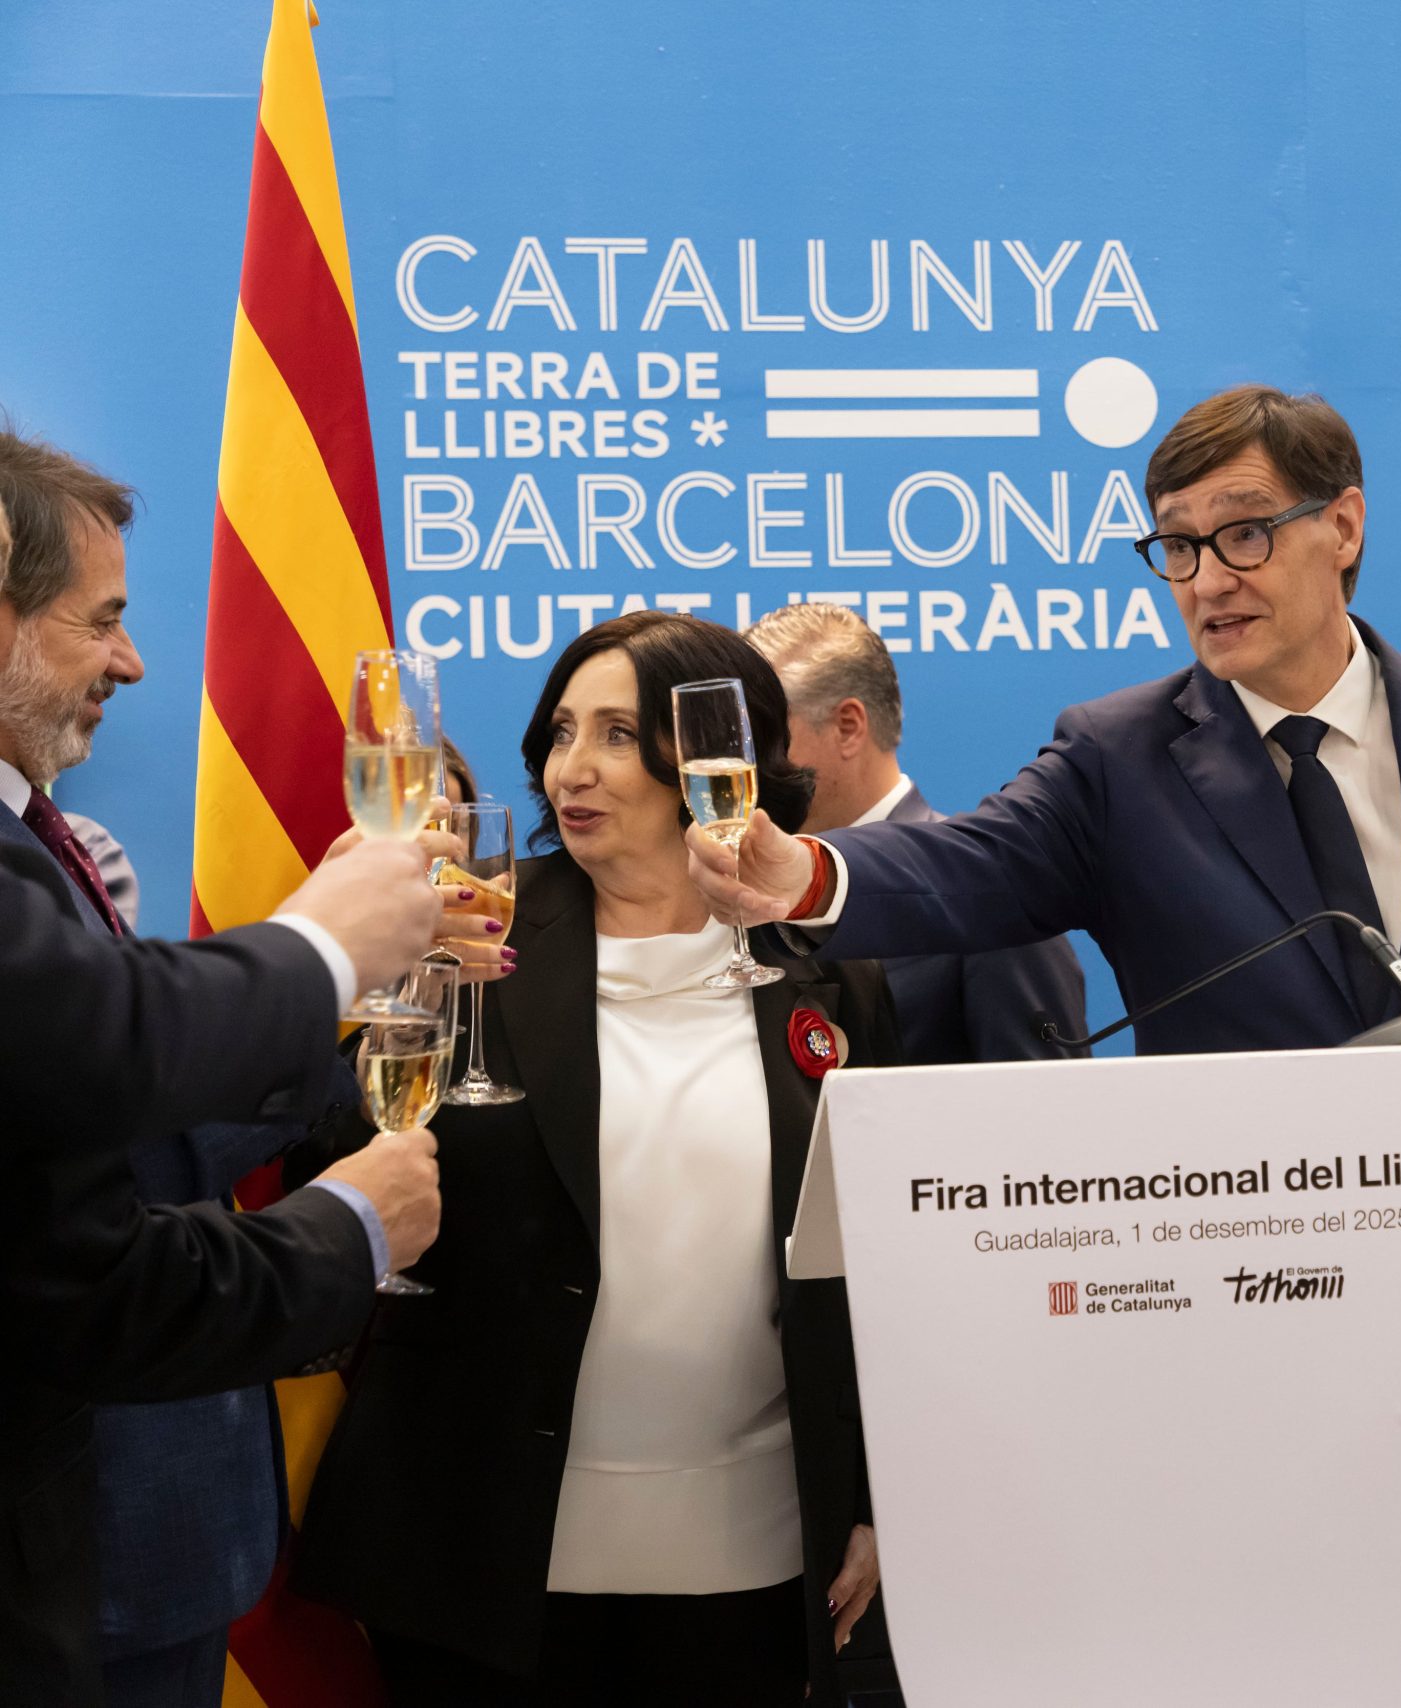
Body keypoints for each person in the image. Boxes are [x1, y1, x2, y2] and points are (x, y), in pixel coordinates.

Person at [687, 385, 1401, 1706]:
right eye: (1175, 544)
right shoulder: (1118, 759)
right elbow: (967, 867)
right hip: (1261, 1357)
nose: (1208, 577)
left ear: (1344, 525)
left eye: (1244, 532)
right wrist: (810, 874)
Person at [291, 613, 899, 1708]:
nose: (573, 768)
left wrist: (870, 1493)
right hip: (477, 1558)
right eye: (562, 733)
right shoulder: (466, 934)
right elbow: (330, 1164)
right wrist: (373, 979)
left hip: (751, 1557)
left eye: (618, 734)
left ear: (715, 759)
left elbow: (879, 1269)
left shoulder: (828, 973)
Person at [0, 439, 454, 1708]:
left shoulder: (36, 836)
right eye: (100, 620)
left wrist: (341, 995)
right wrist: (321, 951)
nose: (132, 662)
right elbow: (87, 1220)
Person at [744, 600, 1089, 1063]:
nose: (743, 760)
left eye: (762, 733)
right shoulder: (749, 901)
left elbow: (1040, 1099)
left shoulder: (990, 888)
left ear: (848, 726)